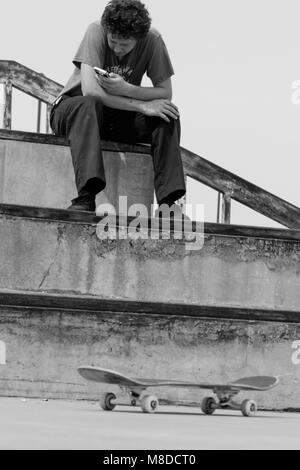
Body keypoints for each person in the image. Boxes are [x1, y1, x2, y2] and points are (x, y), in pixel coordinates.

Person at [50, 0, 186, 214]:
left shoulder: (153, 40)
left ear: (139, 38)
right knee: (89, 105)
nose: (117, 49)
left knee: (167, 114)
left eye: (125, 45)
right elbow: (91, 91)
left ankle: (168, 205)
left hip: (115, 116)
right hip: (73, 112)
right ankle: (85, 198)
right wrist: (142, 106)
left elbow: (165, 92)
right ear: (107, 31)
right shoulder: (95, 30)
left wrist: (126, 88)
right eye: (113, 41)